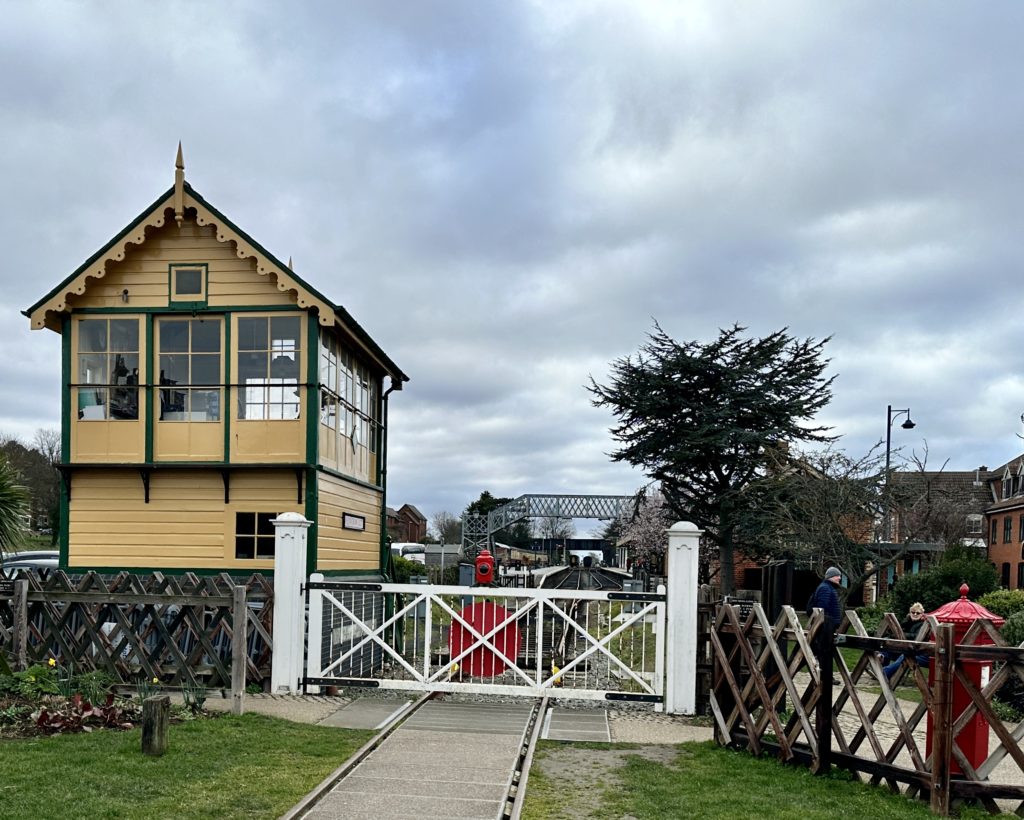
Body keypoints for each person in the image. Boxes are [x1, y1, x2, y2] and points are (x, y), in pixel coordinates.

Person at [881, 602, 929, 680]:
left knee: (904, 656)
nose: (915, 614)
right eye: (913, 612)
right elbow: (896, 630)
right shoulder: (906, 621)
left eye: (918, 613)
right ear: (910, 613)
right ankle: (881, 659)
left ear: (922, 614)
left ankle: (884, 673)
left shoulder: (923, 624)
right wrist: (896, 635)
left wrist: (900, 635)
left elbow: (915, 637)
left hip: (914, 650)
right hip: (904, 647)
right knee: (886, 644)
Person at [809, 566, 843, 632]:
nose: (839, 578)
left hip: (828, 624)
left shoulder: (829, 587)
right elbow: (822, 608)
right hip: (826, 626)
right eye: (837, 576)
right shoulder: (825, 588)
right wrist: (827, 624)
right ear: (830, 577)